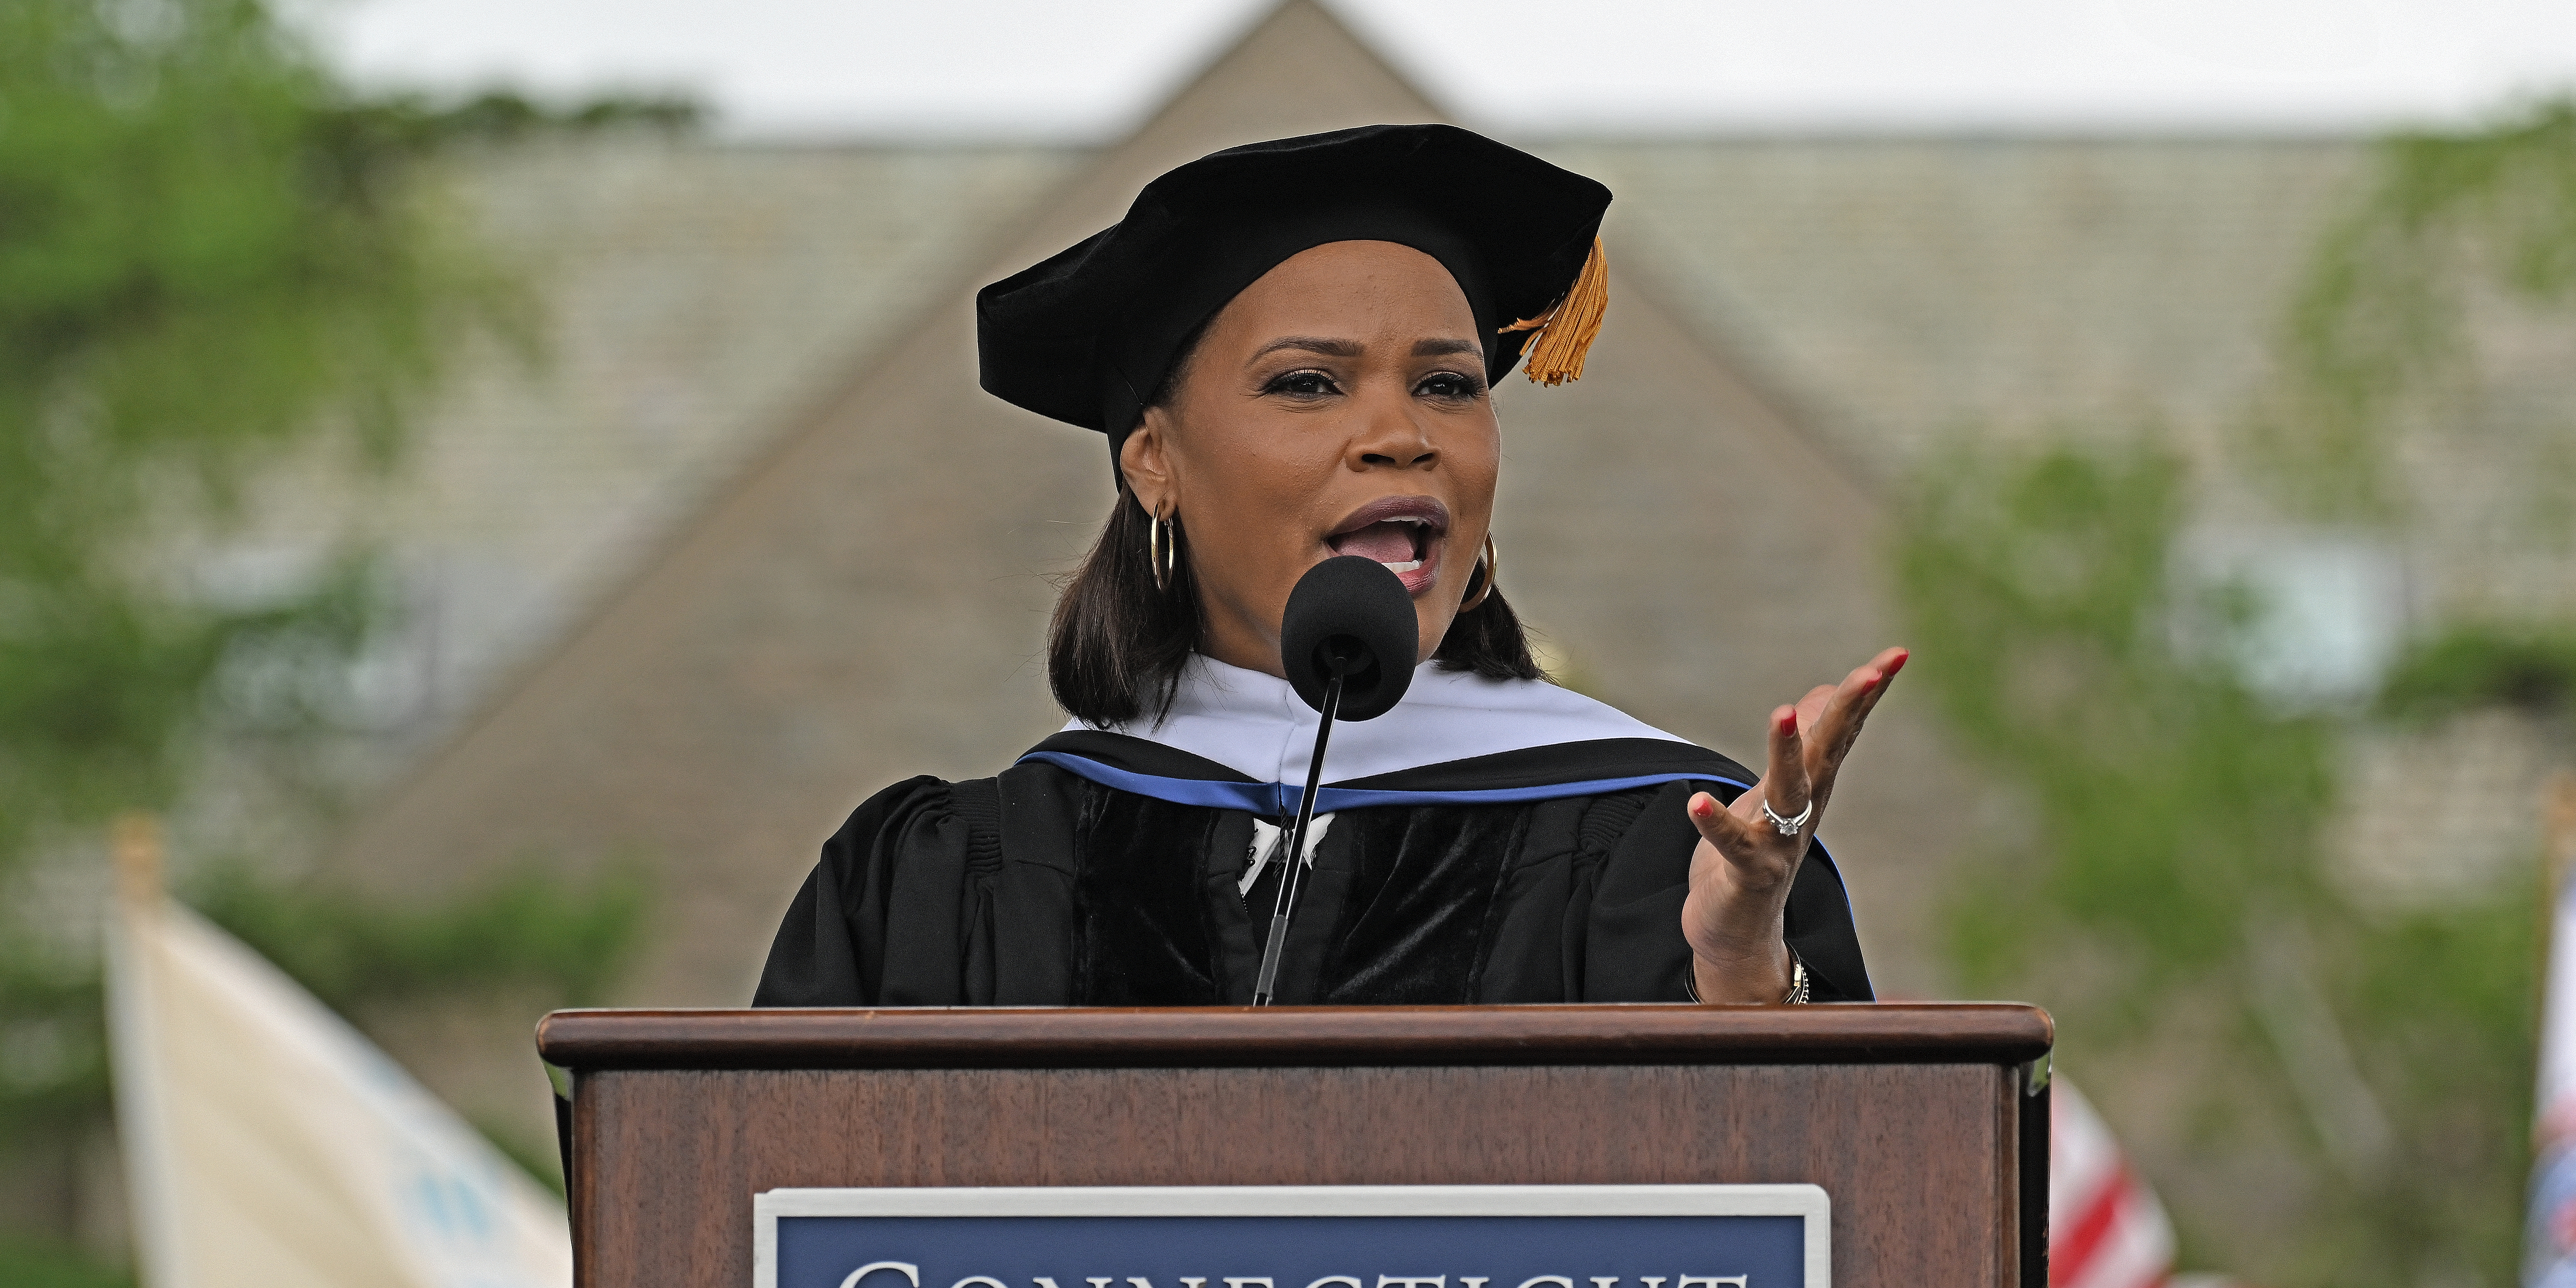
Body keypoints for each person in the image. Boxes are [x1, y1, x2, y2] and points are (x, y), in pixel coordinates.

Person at [753, 123, 1906, 1009]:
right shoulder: (949, 882)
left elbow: (1822, 1273)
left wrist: (1743, 981)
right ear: (1153, 460)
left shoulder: (1670, 845)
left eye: (1448, 384)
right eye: (1307, 383)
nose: (1401, 432)